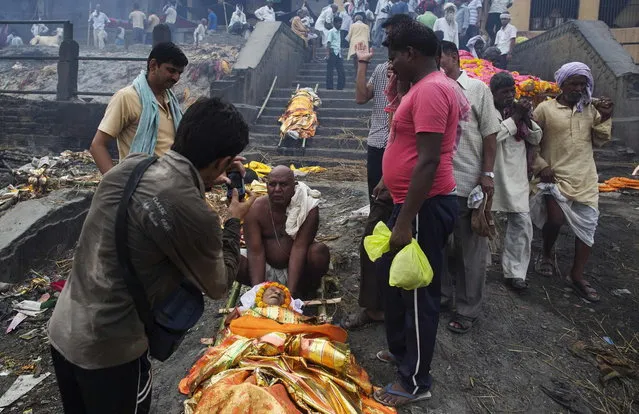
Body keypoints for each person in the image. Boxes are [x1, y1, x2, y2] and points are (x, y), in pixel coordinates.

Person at [48, 97, 255, 414]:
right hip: (110, 352)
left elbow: (157, 203)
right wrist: (233, 220)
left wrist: (205, 178)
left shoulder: (130, 167)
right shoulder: (192, 211)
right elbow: (218, 284)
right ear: (222, 162)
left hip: (64, 330)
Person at [373, 20, 462, 407]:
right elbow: (406, 146)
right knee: (398, 283)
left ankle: (415, 381)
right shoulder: (422, 88)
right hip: (408, 201)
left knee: (417, 293)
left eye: (394, 56)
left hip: (423, 206)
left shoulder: (431, 91)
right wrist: (387, 185)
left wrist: (407, 220)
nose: (391, 65)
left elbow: (427, 161)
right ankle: (401, 352)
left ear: (411, 53)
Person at [531, 62, 614, 303]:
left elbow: (600, 141)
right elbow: (530, 141)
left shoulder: (591, 110)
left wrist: (606, 117)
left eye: (582, 84)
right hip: (554, 175)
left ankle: (576, 275)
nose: (578, 88)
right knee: (555, 220)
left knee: (587, 228)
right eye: (573, 83)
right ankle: (546, 254)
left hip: (585, 177)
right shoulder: (545, 109)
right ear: (562, 84)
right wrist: (540, 166)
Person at [438, 40, 499, 333]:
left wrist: (487, 173)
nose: (437, 65)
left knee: (469, 251)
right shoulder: (433, 89)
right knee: (439, 247)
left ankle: (467, 309)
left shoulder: (477, 90)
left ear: (453, 57)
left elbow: (490, 134)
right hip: (438, 185)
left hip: (466, 182)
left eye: (440, 58)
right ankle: (443, 297)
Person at [89, 42, 188, 174]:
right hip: (141, 185)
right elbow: (97, 146)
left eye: (179, 73)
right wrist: (116, 186)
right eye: (171, 70)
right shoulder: (127, 97)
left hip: (172, 183)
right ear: (153, 66)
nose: (176, 78)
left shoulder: (172, 102)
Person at [237, 166, 330, 298]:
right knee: (231, 258)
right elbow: (255, 252)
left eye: (283, 185)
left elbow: (299, 248)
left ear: (294, 186)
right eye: (272, 184)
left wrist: (290, 294)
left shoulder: (308, 207)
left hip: (298, 270)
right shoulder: (255, 209)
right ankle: (264, 291)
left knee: (318, 253)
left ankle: (304, 291)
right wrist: (259, 293)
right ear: (266, 186)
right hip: (266, 268)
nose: (277, 190)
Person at [490, 72, 542, 292]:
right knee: (480, 222)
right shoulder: (489, 111)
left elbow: (536, 137)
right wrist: (515, 118)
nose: (510, 96)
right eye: (504, 92)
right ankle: (476, 267)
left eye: (512, 91)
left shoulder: (519, 113)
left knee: (521, 223)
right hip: (491, 174)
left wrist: (525, 117)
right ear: (493, 93)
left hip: (516, 175)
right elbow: (494, 135)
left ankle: (515, 273)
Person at [326, 16, 345, 90]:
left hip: (338, 53)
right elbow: (328, 43)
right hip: (332, 52)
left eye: (341, 23)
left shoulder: (340, 32)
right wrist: (327, 54)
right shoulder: (331, 31)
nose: (340, 25)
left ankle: (340, 87)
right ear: (335, 23)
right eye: (339, 23)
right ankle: (329, 87)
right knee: (330, 71)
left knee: (341, 71)